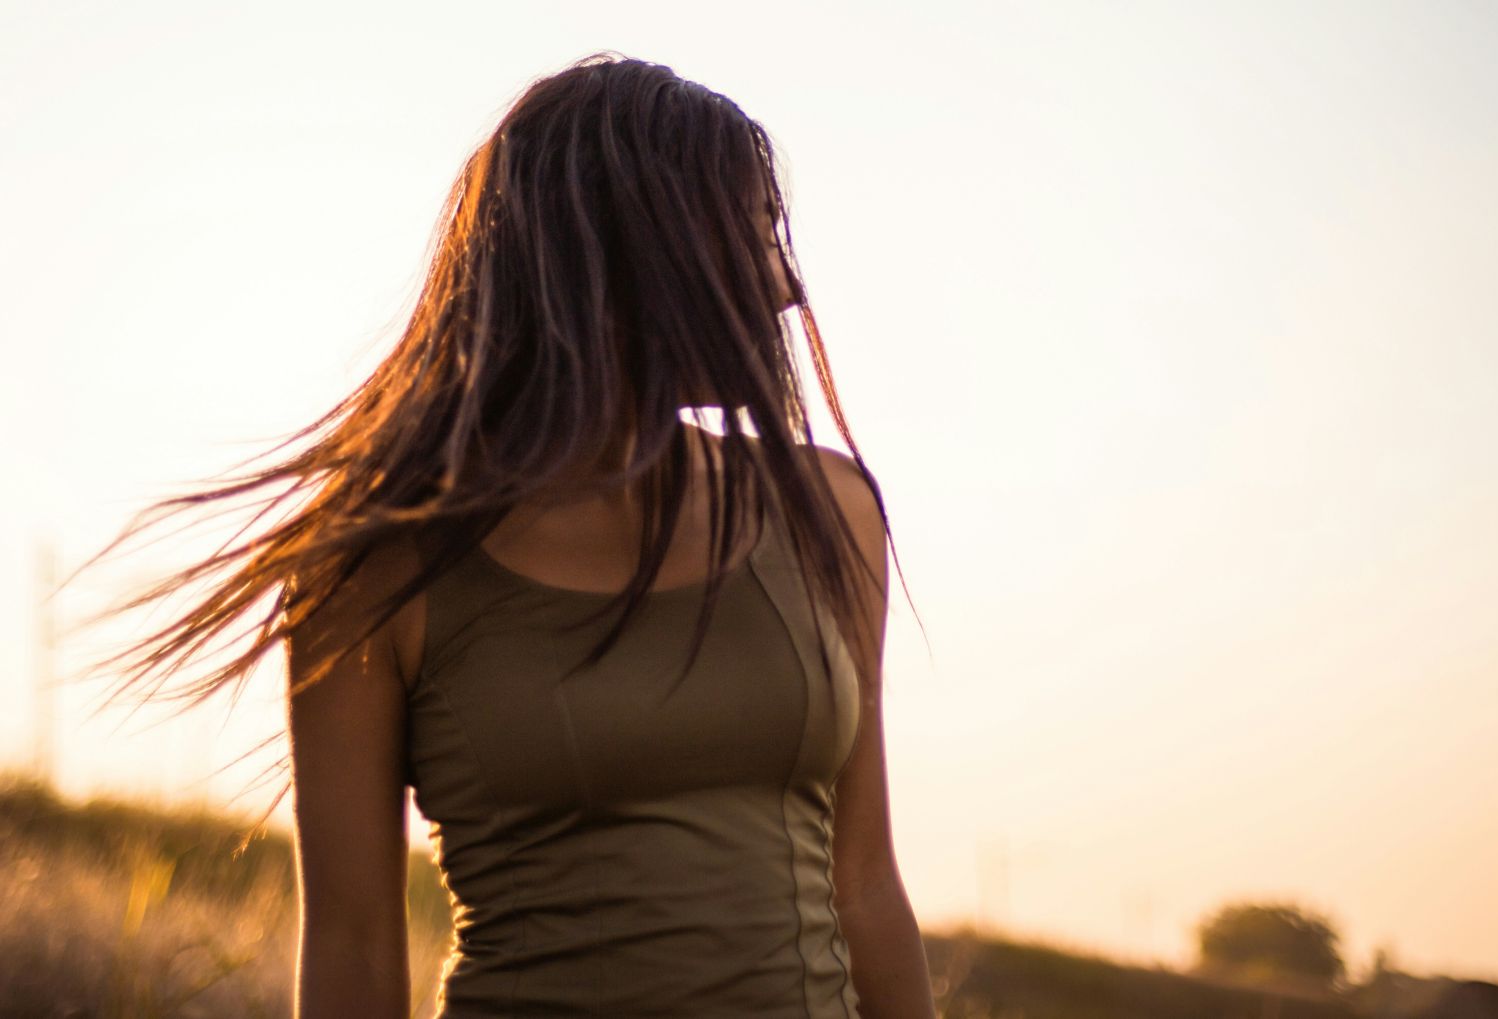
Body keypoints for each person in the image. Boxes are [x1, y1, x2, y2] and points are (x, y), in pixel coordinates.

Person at [72, 51, 937, 1018]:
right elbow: (354, 948)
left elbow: (865, 886)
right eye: (754, 234)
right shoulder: (372, 568)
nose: (786, 286)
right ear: (633, 252)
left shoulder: (829, 507)